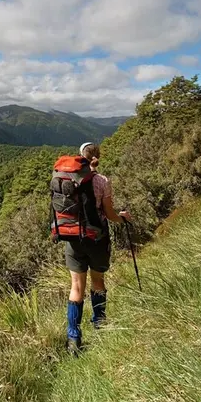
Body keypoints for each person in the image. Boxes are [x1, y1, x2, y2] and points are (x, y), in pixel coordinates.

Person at [65, 142, 130, 354]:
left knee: (76, 287)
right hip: (97, 238)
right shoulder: (102, 181)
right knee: (98, 281)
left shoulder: (67, 179)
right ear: (97, 158)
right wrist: (122, 219)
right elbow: (110, 214)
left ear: (79, 157)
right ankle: (99, 323)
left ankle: (73, 337)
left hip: (73, 239)